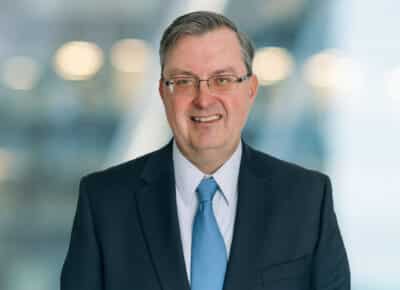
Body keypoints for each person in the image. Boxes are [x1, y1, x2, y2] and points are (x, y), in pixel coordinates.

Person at [61, 11, 350, 290]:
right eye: (184, 81)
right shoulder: (104, 202)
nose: (203, 99)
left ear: (250, 89)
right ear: (163, 93)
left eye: (222, 80)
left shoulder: (307, 199)